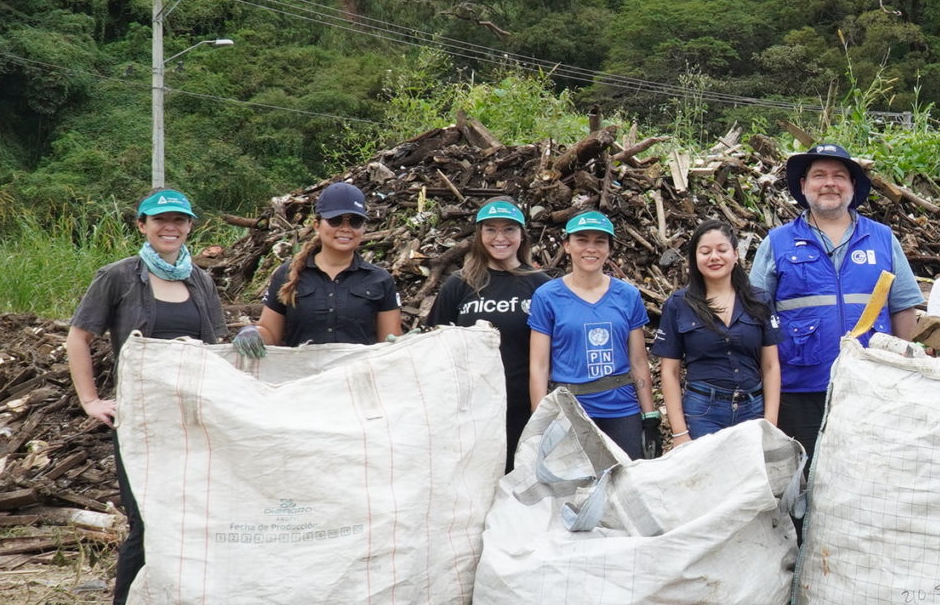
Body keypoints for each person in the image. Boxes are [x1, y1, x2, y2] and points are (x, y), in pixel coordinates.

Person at [64, 188, 229, 605]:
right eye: (160, 220)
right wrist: (91, 400)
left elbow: (213, 348)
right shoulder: (118, 277)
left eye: (178, 220)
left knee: (194, 519)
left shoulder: (200, 281)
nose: (169, 227)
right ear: (142, 225)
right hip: (141, 424)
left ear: (190, 227)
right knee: (145, 521)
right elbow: (79, 336)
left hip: (192, 421)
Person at [750, 144, 924, 455]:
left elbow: (903, 307)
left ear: (852, 186)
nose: (829, 183)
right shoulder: (777, 243)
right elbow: (757, 316)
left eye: (839, 176)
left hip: (872, 384)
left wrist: (903, 369)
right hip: (800, 387)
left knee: (867, 473)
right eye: (819, 175)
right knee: (805, 476)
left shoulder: (883, 238)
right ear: (803, 186)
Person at [419, 197, 550, 469]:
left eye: (509, 229)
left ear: (522, 235)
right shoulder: (459, 285)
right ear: (479, 235)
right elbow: (433, 346)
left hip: (523, 408)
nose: (499, 237)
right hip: (470, 411)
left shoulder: (541, 287)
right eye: (490, 229)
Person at [527, 211, 655, 460]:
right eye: (582, 240)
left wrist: (649, 416)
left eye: (599, 241)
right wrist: (539, 419)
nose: (590, 248)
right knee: (573, 490)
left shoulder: (627, 296)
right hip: (569, 409)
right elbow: (539, 365)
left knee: (625, 483)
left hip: (621, 409)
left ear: (609, 249)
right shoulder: (547, 296)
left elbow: (638, 361)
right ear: (567, 246)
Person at [658, 221, 780, 446]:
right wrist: (679, 432)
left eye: (722, 250)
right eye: (705, 251)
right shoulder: (679, 304)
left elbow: (771, 365)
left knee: (751, 479)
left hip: (753, 409)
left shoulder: (759, 300)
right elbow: (670, 372)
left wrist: (770, 422)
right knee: (708, 479)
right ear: (695, 258)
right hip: (703, 411)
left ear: (735, 255)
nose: (714, 257)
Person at [247, 183, 403, 351]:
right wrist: (253, 334)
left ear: (364, 228)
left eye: (355, 222)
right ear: (317, 225)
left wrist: (405, 345)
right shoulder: (287, 274)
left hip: (358, 376)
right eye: (335, 220)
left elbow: (389, 342)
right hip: (303, 375)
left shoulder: (380, 280)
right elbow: (271, 333)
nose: (345, 229)